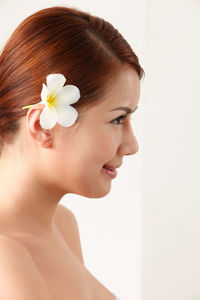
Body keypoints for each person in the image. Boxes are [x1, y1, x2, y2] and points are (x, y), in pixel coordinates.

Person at [0, 5, 145, 300]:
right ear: (43, 125)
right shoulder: (5, 256)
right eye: (118, 119)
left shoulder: (62, 226)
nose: (132, 145)